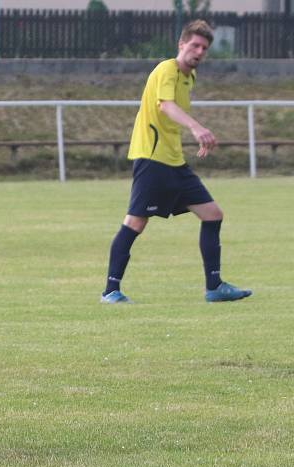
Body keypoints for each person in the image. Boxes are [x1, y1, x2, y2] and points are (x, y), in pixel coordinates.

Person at [101, 19, 252, 304]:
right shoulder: (167, 69)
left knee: (212, 214)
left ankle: (214, 286)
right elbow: (165, 105)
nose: (198, 51)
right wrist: (197, 128)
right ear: (181, 44)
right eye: (194, 45)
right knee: (135, 222)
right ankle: (110, 291)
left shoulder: (189, 77)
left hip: (174, 161)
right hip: (152, 158)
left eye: (204, 48)